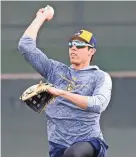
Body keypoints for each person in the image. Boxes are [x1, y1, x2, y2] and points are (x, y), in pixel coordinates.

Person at [18, 6, 112, 157]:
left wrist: (61, 93)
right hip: (58, 146)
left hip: (88, 143)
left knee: (73, 153)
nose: (73, 48)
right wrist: (40, 18)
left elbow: (97, 104)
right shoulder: (56, 70)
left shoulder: (100, 77)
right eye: (71, 45)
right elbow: (26, 47)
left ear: (91, 51)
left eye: (80, 45)